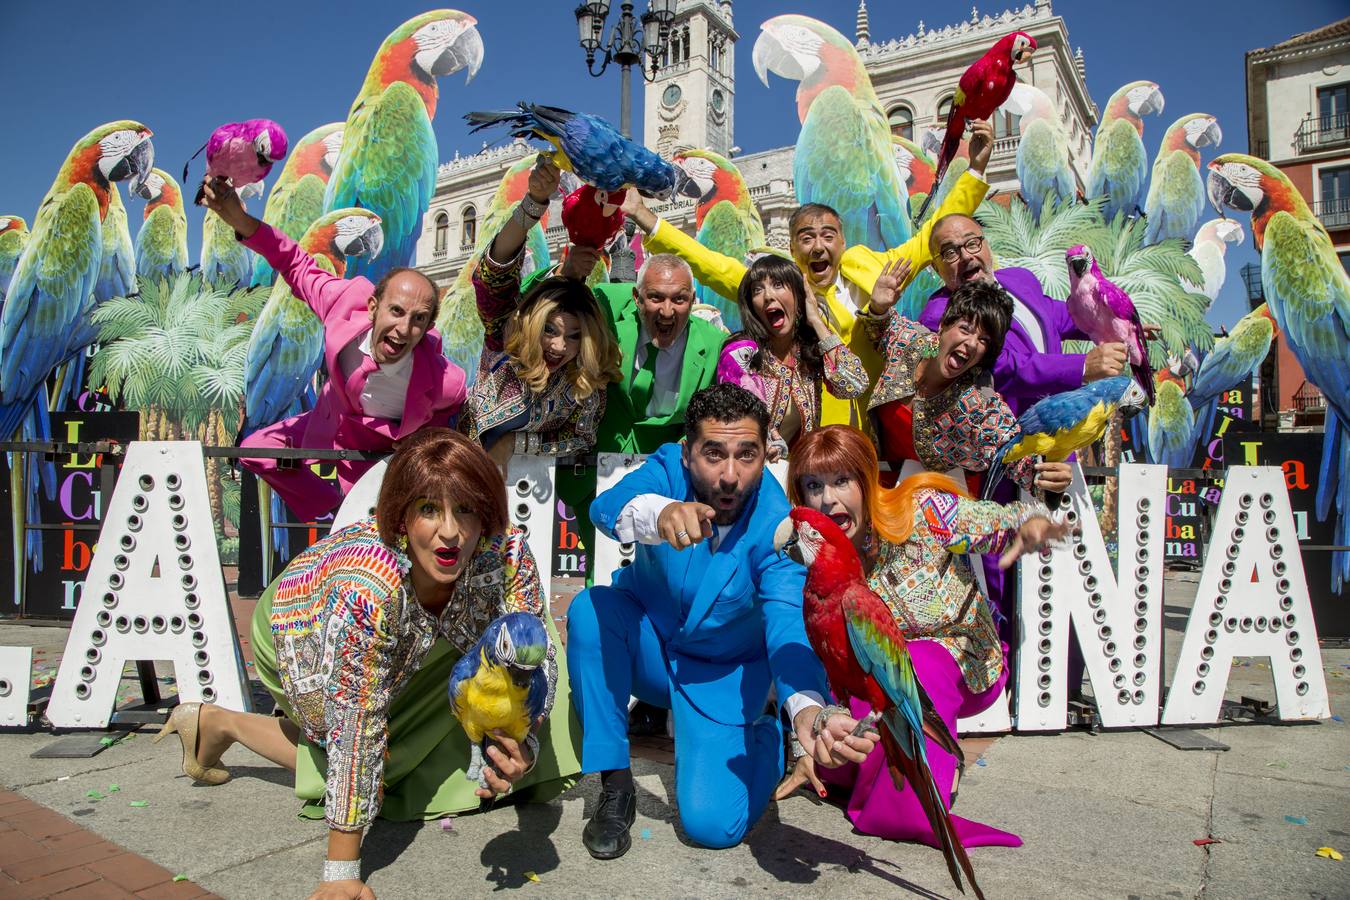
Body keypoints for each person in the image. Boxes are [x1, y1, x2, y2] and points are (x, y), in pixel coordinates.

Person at [153, 429, 580, 900]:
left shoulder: (508, 553)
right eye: (427, 509)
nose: (451, 532)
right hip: (302, 629)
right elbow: (358, 724)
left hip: (420, 635)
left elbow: (536, 668)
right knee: (376, 759)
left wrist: (523, 741)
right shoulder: (369, 590)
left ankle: (212, 724)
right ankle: (220, 724)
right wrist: (342, 873)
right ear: (400, 516)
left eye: (466, 509)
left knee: (528, 651)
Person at [565, 383, 879, 859]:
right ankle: (615, 787)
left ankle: (768, 739)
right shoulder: (668, 469)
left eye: (746, 455)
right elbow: (604, 510)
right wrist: (660, 513)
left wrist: (808, 712)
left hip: (720, 676)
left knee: (713, 826)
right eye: (714, 454)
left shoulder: (778, 525)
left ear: (764, 452)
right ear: (689, 453)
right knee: (590, 610)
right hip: (647, 644)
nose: (730, 475)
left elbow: (788, 626)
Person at [781, 424, 1069, 847]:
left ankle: (912, 808)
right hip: (875, 682)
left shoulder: (921, 511)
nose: (829, 499)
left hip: (957, 664)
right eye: (813, 485)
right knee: (835, 751)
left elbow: (1003, 520)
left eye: (842, 480)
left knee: (919, 660)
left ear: (865, 478)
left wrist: (1032, 522)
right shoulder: (809, 556)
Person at [624, 119, 999, 431]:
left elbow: (932, 234)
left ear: (842, 241)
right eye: (807, 237)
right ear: (792, 248)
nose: (818, 246)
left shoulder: (873, 272)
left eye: (827, 236)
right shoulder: (781, 291)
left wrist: (975, 172)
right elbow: (710, 264)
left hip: (876, 428)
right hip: (811, 436)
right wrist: (645, 218)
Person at [201, 177, 468, 523]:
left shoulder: (446, 381)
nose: (403, 329)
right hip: (333, 422)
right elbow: (295, 263)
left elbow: (457, 415)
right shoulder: (343, 302)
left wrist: (424, 450)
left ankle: (355, 520)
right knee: (256, 451)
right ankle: (329, 510)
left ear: (429, 328)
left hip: (387, 449)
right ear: (373, 308)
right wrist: (241, 221)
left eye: (418, 320)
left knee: (370, 527)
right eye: (396, 312)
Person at [460, 158, 623, 468]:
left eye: (574, 337)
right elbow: (493, 273)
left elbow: (580, 438)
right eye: (550, 330)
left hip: (534, 501)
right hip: (464, 476)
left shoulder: (584, 383)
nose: (559, 346)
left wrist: (513, 444)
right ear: (532, 323)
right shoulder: (503, 337)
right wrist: (533, 203)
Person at [862, 260, 1072, 497]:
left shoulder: (979, 406)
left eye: (984, 340)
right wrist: (878, 307)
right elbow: (882, 328)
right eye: (965, 329)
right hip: (881, 486)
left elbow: (1012, 450)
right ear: (942, 325)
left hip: (940, 509)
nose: (972, 343)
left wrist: (1046, 477)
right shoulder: (911, 343)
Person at [717, 254, 868, 459]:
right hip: (751, 472)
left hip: (802, 475)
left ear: (799, 296)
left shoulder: (810, 350)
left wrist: (815, 320)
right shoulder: (741, 352)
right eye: (757, 290)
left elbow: (855, 384)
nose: (768, 295)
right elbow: (737, 424)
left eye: (778, 284)